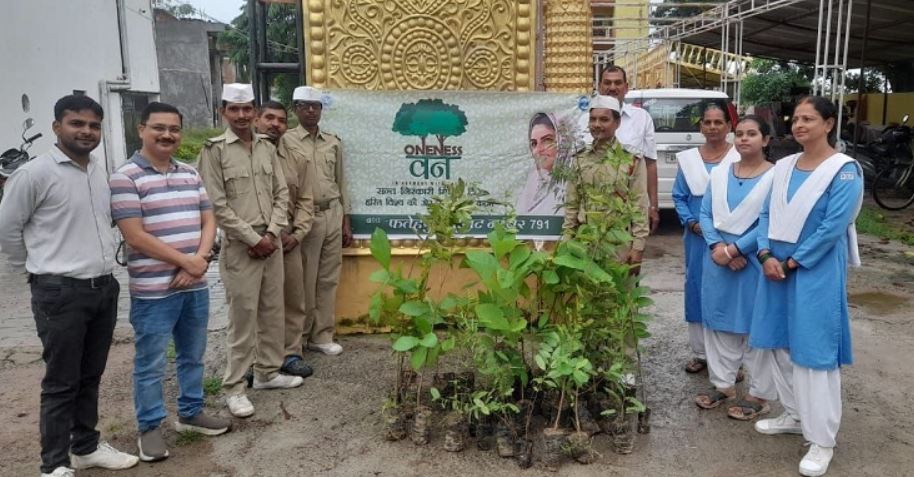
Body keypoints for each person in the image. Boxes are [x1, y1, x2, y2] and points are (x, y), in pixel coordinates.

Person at [0, 95, 138, 476]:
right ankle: (54, 464)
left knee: (90, 374)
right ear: (57, 126)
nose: (87, 132)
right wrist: (34, 271)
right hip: (60, 292)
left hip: (103, 288)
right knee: (61, 381)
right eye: (77, 124)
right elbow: (8, 231)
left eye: (93, 125)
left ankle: (87, 447)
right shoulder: (33, 174)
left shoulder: (98, 170)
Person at [110, 102, 231, 462]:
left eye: (174, 129)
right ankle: (149, 428)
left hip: (194, 286)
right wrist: (188, 261)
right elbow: (135, 236)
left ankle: (191, 413)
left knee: (192, 356)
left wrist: (199, 262)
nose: (167, 135)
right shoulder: (126, 177)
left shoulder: (189, 174)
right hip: (154, 292)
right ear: (141, 130)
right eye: (159, 128)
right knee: (150, 363)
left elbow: (208, 220)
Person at [750, 96, 863, 477]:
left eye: (809, 119)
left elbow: (833, 225)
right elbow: (765, 212)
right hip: (774, 268)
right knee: (779, 343)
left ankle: (822, 439)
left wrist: (793, 261)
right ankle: (795, 415)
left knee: (814, 353)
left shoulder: (844, 170)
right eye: (796, 118)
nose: (799, 125)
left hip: (812, 270)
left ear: (829, 124)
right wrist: (764, 254)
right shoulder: (782, 166)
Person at [198, 84, 301, 419]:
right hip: (241, 247)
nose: (241, 116)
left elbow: (281, 193)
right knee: (242, 319)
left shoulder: (266, 148)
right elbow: (216, 204)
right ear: (223, 112)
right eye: (234, 109)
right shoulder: (214, 151)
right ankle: (234, 387)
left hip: (270, 240)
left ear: (254, 112)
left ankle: (268, 373)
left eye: (247, 109)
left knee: (273, 311)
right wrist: (252, 239)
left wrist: (271, 233)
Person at [693, 116, 776, 420]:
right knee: (719, 324)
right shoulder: (719, 174)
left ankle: (759, 395)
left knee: (757, 329)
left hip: (754, 262)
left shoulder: (776, 177)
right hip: (718, 261)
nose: (743, 139)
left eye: (752, 134)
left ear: (765, 140)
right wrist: (718, 248)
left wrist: (735, 249)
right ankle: (723, 385)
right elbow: (704, 214)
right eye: (739, 133)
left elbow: (770, 221)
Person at [672, 101, 740, 375]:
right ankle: (700, 353)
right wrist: (691, 222)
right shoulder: (688, 160)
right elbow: (678, 196)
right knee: (697, 287)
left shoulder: (739, 156)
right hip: (697, 237)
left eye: (718, 122)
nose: (712, 127)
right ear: (700, 126)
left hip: (730, 236)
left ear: (728, 126)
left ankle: (731, 359)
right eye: (707, 122)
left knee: (729, 290)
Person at [281, 86, 349, 356]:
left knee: (328, 278)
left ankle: (322, 336)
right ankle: (298, 337)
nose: (311, 110)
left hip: (333, 212)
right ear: (295, 109)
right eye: (305, 105)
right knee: (303, 282)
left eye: (316, 106)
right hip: (305, 217)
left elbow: (341, 181)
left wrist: (346, 219)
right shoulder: (286, 141)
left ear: (321, 110)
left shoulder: (333, 141)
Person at [254, 100, 316, 377]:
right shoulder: (242, 153)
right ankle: (256, 360)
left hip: (288, 238)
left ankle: (291, 354)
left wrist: (299, 233)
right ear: (257, 120)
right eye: (269, 118)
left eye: (280, 120)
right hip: (253, 240)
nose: (274, 124)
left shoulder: (297, 157)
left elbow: (305, 199)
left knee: (293, 299)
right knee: (255, 303)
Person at [563, 95, 648, 270]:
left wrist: (638, 248)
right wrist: (567, 240)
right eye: (593, 119)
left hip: (618, 244)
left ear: (617, 123)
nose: (597, 124)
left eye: (604, 119)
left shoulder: (631, 160)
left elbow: (639, 205)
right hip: (584, 242)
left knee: (619, 293)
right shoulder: (580, 159)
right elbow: (572, 204)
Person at [596, 65, 661, 233]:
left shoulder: (641, 118)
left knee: (630, 256)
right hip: (593, 207)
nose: (612, 87)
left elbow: (650, 163)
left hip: (630, 207)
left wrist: (653, 206)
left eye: (617, 83)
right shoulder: (584, 119)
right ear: (599, 86)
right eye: (607, 83)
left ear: (626, 87)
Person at [515, 112, 575, 216]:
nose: (538, 150)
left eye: (547, 140)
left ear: (563, 141)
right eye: (534, 143)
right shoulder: (532, 184)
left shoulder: (577, 181)